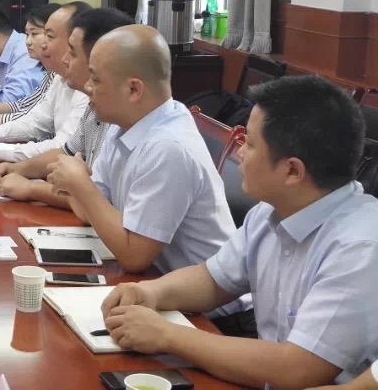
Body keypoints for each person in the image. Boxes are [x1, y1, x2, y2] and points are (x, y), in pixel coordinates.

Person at [100, 76, 378, 388]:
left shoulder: (360, 248)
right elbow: (213, 279)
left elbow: (298, 368)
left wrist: (167, 335)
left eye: (251, 144)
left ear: (292, 171)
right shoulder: (271, 211)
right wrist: (151, 293)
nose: (240, 152)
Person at [46, 25, 251, 332]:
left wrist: (80, 185)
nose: (87, 87)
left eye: (96, 79)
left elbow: (134, 256)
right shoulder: (126, 124)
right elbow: (92, 212)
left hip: (214, 318)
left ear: (133, 90)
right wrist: (82, 189)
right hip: (157, 289)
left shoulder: (167, 146)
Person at [0, 7, 132, 204]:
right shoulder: (95, 106)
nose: (65, 59)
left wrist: (32, 189)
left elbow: (97, 199)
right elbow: (66, 151)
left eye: (72, 52)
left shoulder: (150, 138)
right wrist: (17, 168)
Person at [0, 2, 91, 161]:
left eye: (48, 36)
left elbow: (63, 148)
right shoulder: (59, 77)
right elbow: (34, 122)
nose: (40, 44)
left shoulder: (86, 89)